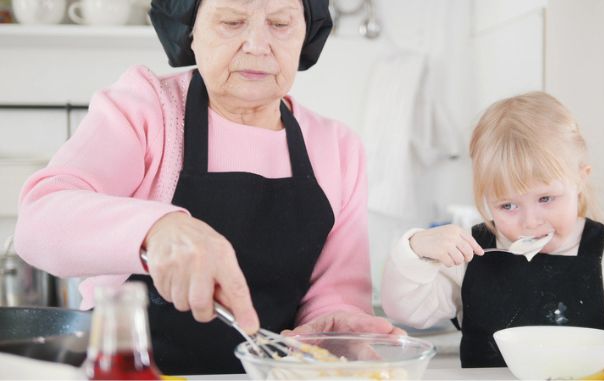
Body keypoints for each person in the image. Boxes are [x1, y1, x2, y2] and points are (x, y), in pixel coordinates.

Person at [14, 0, 401, 375]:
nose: (257, 44)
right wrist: (158, 230)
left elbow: (335, 295)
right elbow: (38, 220)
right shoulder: (147, 110)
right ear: (190, 29)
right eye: (232, 21)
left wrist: (335, 329)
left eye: (281, 24)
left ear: (306, 36)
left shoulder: (337, 147)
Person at [380, 92, 604, 368]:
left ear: (580, 180)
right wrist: (415, 250)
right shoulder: (473, 252)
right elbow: (407, 312)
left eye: (546, 199)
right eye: (508, 206)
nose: (530, 221)